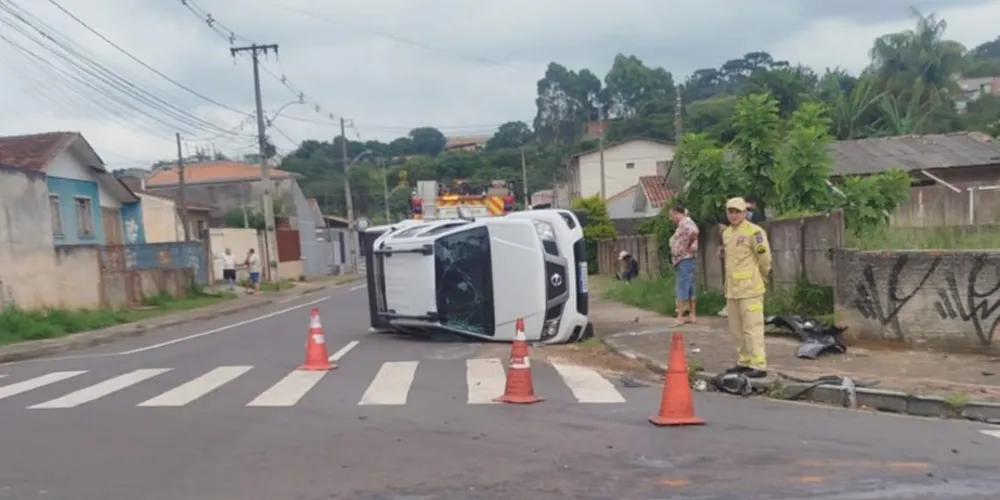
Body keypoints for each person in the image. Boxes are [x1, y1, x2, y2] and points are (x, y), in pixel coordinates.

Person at [720, 197, 772, 378]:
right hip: (732, 290)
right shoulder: (726, 233)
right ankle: (744, 361)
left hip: (750, 289)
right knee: (736, 329)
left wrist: (763, 275)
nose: (733, 215)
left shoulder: (754, 232)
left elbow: (764, 258)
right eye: (730, 212)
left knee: (752, 328)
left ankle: (759, 364)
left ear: (744, 212)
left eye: (737, 212)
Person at [668, 205, 699, 326]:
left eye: (671, 215)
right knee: (690, 286)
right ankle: (692, 314)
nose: (671, 218)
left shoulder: (685, 223)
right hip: (686, 258)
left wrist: (684, 247)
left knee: (682, 287)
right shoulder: (686, 223)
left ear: (677, 213)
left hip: (684, 258)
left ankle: (680, 316)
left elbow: (694, 232)